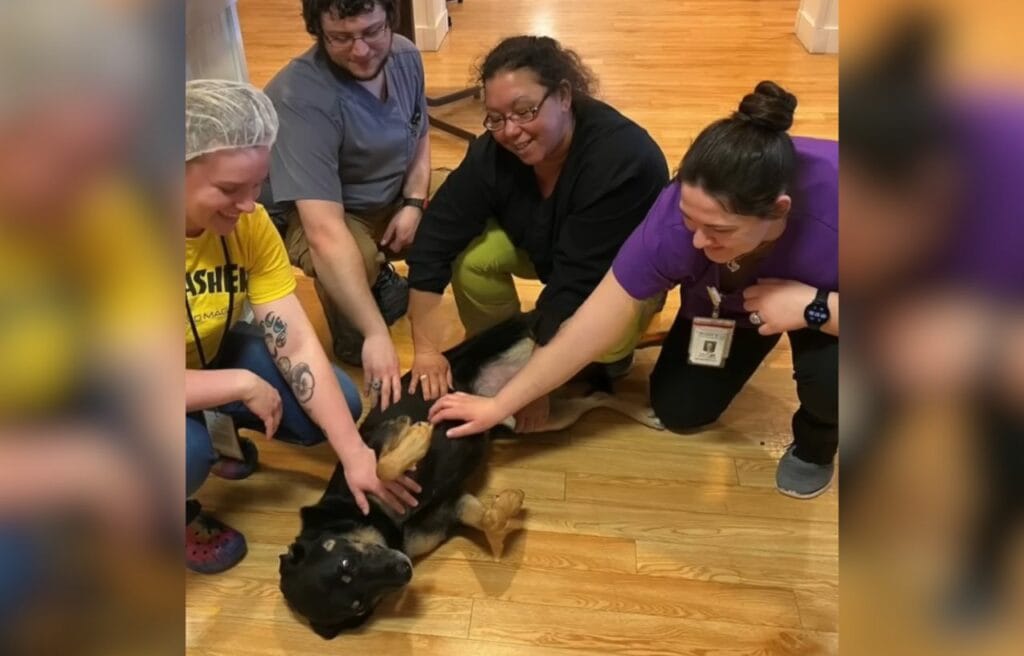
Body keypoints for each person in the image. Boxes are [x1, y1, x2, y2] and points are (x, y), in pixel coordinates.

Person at [429, 81, 840, 499]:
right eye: (690, 221)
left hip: (832, 307)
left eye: (718, 230)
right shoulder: (674, 220)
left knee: (832, 380)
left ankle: (816, 444)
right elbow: (595, 320)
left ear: (779, 210)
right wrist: (500, 405)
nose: (697, 242)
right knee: (681, 409)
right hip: (730, 309)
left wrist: (813, 307)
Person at [185, 79, 419, 575]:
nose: (249, 205)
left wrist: (354, 452)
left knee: (336, 407)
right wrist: (241, 383)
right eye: (229, 189)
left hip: (199, 357)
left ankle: (213, 423)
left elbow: (292, 337)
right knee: (184, 454)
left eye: (257, 186)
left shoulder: (247, 223)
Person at [405, 35, 669, 431]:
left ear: (563, 95)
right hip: (548, 249)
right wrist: (425, 349)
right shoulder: (494, 153)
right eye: (496, 118)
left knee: (606, 344)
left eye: (525, 111)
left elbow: (574, 285)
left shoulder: (622, 160)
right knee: (472, 260)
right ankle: (500, 351)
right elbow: (435, 238)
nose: (511, 131)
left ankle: (607, 356)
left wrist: (531, 388)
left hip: (613, 277)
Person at [263, 0, 431, 409]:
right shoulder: (299, 95)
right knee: (358, 300)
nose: (360, 50)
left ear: (391, 19)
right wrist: (376, 334)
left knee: (463, 208)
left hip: (391, 191)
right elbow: (323, 230)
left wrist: (413, 202)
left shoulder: (406, 55)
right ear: (318, 31)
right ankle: (359, 314)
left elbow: (420, 133)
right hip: (318, 213)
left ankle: (377, 281)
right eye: (340, 37)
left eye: (372, 31)